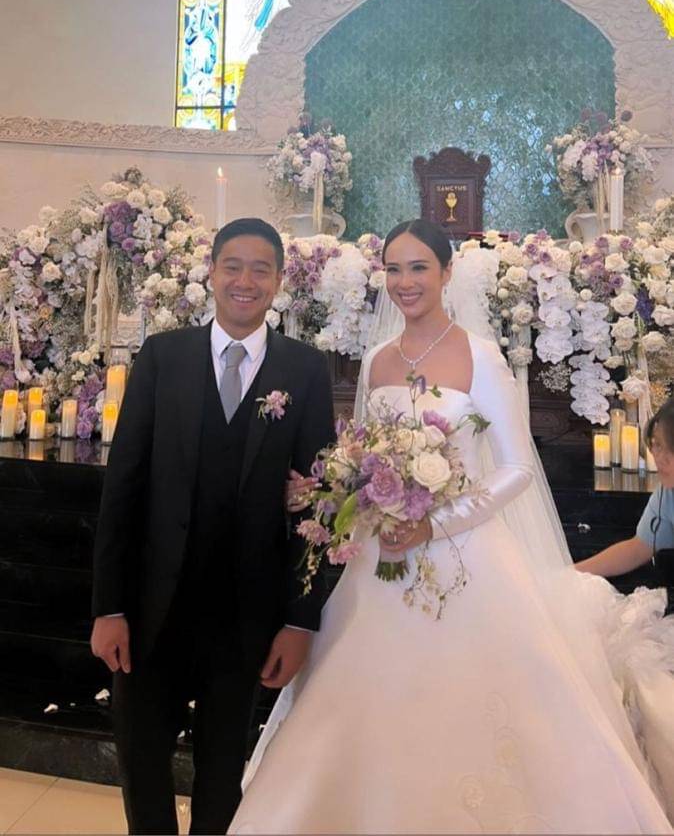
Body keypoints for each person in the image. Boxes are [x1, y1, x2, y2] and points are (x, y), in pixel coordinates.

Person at [228, 219, 672, 835]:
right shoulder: (378, 361)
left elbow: (516, 468)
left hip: (466, 562)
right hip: (381, 562)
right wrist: (347, 495)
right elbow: (364, 454)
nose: (405, 282)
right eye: (394, 269)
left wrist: (435, 524)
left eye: (419, 268)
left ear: (446, 273)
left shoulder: (480, 357)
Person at [90, 217, 335, 836]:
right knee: (142, 764)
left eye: (260, 269)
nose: (244, 281)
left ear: (279, 281)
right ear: (211, 272)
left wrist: (300, 621)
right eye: (232, 266)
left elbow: (318, 506)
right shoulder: (163, 356)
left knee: (223, 775)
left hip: (247, 617)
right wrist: (109, 607)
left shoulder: (305, 370)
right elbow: (123, 488)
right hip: (152, 610)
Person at [577, 400, 674, 601]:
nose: (657, 456)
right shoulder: (667, 494)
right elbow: (637, 549)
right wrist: (571, 573)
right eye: (655, 444)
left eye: (665, 447)